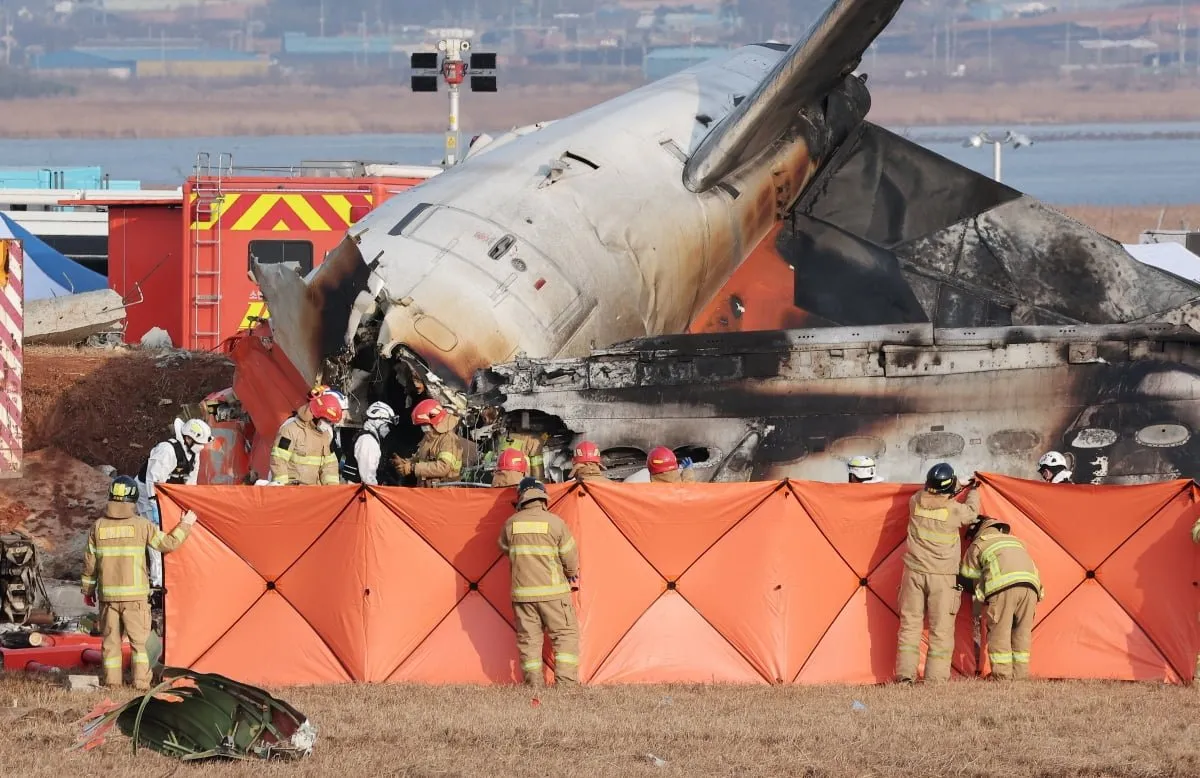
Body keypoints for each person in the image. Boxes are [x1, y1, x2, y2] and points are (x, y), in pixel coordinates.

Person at [81, 476, 196, 689]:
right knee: (140, 645)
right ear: (134, 499)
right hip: (135, 599)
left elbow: (90, 562)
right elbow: (167, 544)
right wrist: (186, 524)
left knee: (110, 644)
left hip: (108, 598)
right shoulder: (142, 526)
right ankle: (141, 684)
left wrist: (88, 590)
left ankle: (112, 683)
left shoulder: (98, 527)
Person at [895, 462, 981, 684]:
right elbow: (971, 514)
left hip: (913, 574)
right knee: (940, 630)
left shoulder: (914, 501)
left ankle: (905, 676)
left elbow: (935, 497)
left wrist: (954, 487)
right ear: (949, 486)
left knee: (909, 627)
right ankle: (935, 680)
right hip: (942, 578)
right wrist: (972, 490)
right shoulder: (954, 509)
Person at [498, 479, 580, 687]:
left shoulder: (510, 524)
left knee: (529, 641)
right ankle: (566, 685)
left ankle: (534, 685)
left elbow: (504, 548)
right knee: (564, 636)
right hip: (554, 595)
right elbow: (570, 557)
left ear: (521, 499)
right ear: (543, 498)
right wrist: (571, 573)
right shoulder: (555, 523)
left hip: (523, 595)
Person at [960, 516, 1043, 680]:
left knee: (999, 632)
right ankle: (1020, 675)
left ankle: (1002, 676)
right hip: (1032, 588)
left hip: (1003, 588)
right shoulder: (1015, 541)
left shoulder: (979, 544)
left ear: (977, 531)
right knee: (1022, 632)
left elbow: (968, 575)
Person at [136, 418, 213, 589]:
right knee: (155, 535)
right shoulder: (167, 451)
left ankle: (172, 574)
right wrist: (154, 506)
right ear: (189, 438)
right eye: (199, 443)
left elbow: (190, 483)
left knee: (174, 530)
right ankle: (158, 582)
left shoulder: (194, 455)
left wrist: (189, 505)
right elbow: (152, 480)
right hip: (146, 493)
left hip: (166, 493)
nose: (201, 447)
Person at [269, 393, 343, 485]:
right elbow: (278, 460)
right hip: (293, 490)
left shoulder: (326, 435)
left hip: (315, 492)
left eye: (331, 423)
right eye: (327, 421)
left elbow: (329, 465)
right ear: (316, 416)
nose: (329, 425)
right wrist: (283, 489)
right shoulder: (291, 430)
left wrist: (332, 489)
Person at [392, 399, 464, 487]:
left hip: (444, 492)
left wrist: (412, 467)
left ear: (434, 421)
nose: (423, 428)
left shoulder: (449, 439)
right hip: (427, 490)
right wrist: (405, 462)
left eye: (424, 425)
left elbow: (443, 467)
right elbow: (421, 458)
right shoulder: (429, 437)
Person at [343, 401, 397, 486]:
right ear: (377, 422)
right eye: (386, 425)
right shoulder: (368, 440)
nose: (388, 429)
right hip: (360, 493)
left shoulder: (369, 437)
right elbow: (368, 477)